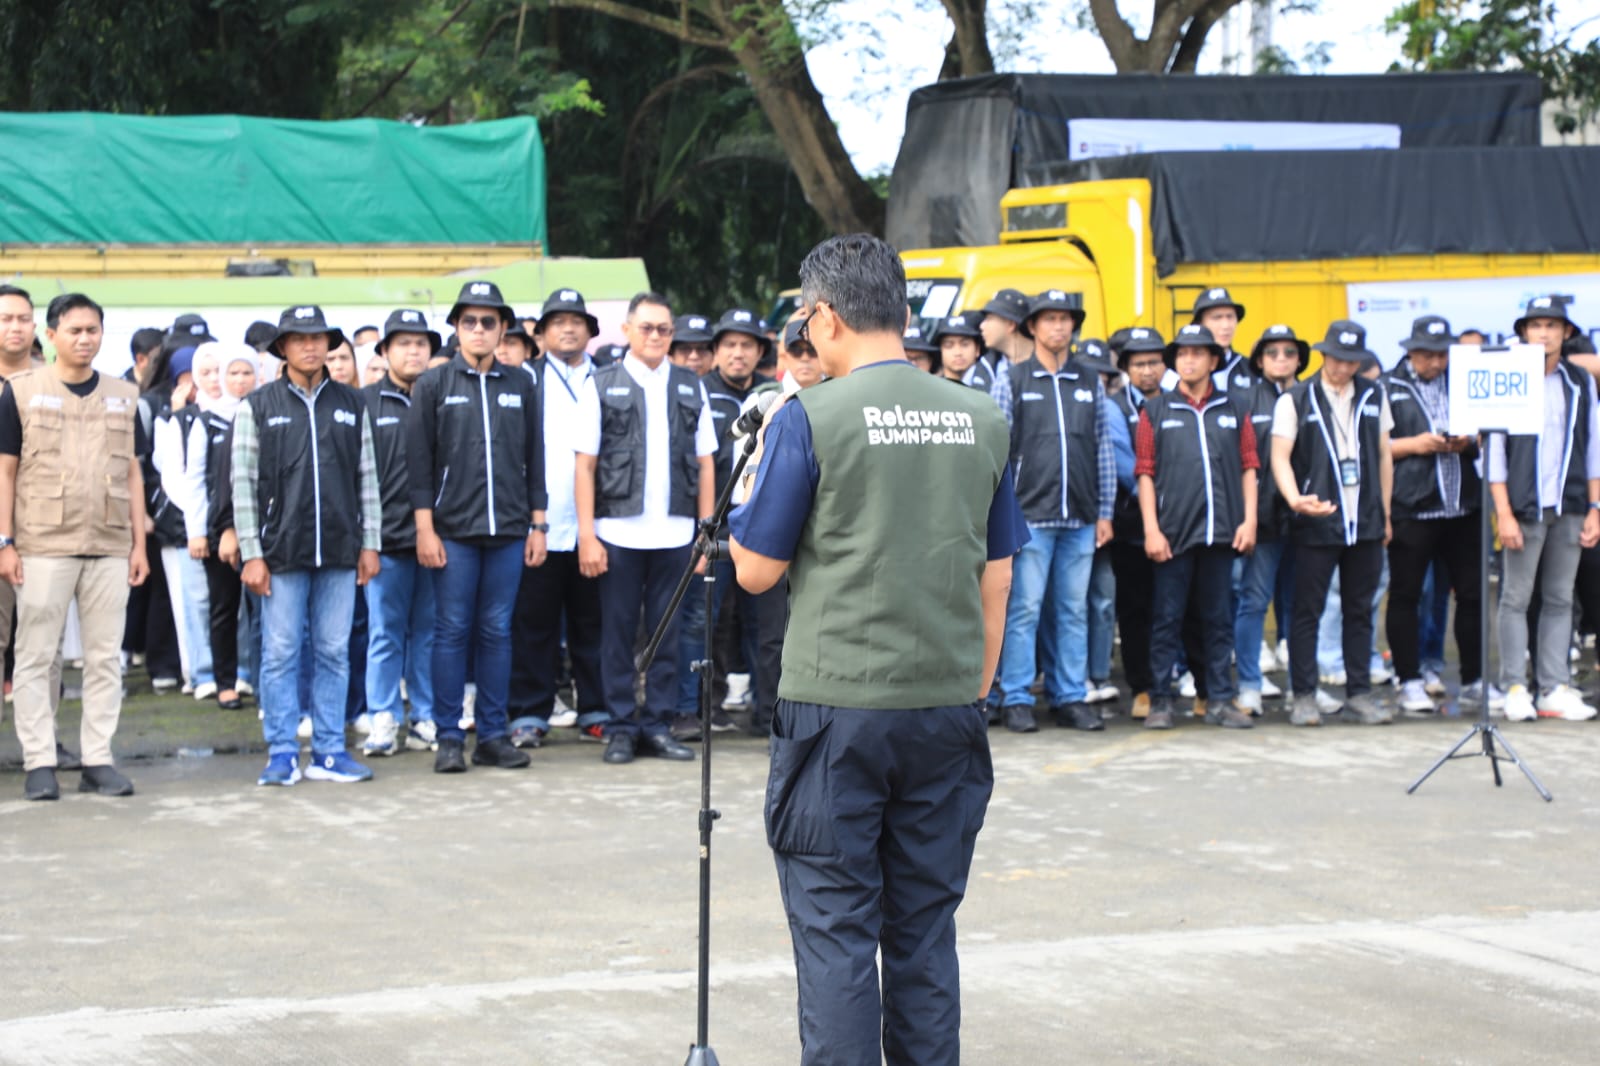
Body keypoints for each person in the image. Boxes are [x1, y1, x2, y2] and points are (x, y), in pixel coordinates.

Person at [729, 233, 1027, 1066]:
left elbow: (754, 571)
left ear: (824, 319)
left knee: (836, 932)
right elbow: (996, 576)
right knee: (925, 929)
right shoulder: (982, 416)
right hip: (945, 706)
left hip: (837, 711)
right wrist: (973, 687)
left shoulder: (810, 416)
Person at [0, 293, 149, 800]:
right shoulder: (21, 392)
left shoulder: (124, 395)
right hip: (43, 543)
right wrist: (6, 542)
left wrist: (139, 546)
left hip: (109, 543)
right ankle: (39, 760)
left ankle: (97, 759)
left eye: (93, 330)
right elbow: (6, 471)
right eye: (74, 330)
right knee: (36, 657)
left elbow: (133, 472)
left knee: (105, 658)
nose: (85, 339)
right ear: (52, 335)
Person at [233, 305, 383, 786]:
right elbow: (243, 485)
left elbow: (367, 478)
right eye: (299, 338)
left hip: (340, 549)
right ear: (283, 347)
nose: (311, 345)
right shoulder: (258, 406)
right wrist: (252, 553)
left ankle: (329, 751)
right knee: (279, 653)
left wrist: (370, 543)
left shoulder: (351, 402)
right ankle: (281, 752)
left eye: (319, 337)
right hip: (280, 551)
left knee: (334, 652)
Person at [408, 280, 548, 772]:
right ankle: (449, 737)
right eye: (470, 321)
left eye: (489, 322)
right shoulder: (433, 385)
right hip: (452, 531)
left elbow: (536, 457)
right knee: (451, 631)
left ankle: (491, 734)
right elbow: (418, 464)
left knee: (496, 631)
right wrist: (425, 529)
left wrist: (539, 524)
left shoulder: (522, 383)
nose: (480, 330)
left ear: (503, 328)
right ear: (456, 329)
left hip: (510, 530)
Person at [574, 292, 715, 765]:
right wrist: (587, 534)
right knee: (616, 634)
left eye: (664, 329)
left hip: (676, 534)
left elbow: (706, 462)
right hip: (618, 533)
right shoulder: (602, 383)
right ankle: (619, 727)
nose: (656, 336)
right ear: (629, 331)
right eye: (647, 328)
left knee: (666, 635)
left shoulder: (689, 386)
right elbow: (585, 465)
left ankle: (656, 724)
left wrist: (705, 533)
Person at [988, 289, 1114, 733]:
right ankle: (1017, 696)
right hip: (1031, 518)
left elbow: (1102, 449)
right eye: (1049, 319)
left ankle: (1071, 696)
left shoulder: (1089, 381)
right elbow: (998, 453)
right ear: (1032, 327)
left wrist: (1105, 511)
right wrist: (1004, 514)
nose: (1059, 327)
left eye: (1066, 319)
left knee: (1073, 610)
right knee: (1024, 609)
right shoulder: (1013, 379)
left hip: (1080, 517)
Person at [1270, 320, 1395, 727]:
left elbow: (1384, 456)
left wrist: (1385, 512)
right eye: (1337, 359)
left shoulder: (1375, 394)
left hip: (1366, 522)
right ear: (1323, 355)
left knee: (1361, 610)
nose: (1343, 368)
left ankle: (1359, 693)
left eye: (1351, 361)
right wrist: (1294, 499)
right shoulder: (1297, 398)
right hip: (1317, 519)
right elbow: (1280, 457)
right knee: (1307, 610)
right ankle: (1304, 694)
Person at [1137, 324, 1258, 730]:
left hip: (1222, 533)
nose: (1188, 360)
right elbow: (1145, 474)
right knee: (1167, 619)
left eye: (1197, 353)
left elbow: (1249, 467)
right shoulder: (1155, 410)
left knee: (1219, 619)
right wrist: (1152, 530)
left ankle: (1221, 699)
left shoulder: (1234, 407)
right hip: (1172, 535)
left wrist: (1249, 520)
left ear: (1213, 359)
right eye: (1182, 354)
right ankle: (1160, 701)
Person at [1488, 294, 1600, 722]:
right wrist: (1504, 512)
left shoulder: (1579, 381)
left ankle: (1554, 687)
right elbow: (1494, 449)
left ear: (1566, 333)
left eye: (1553, 326)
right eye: (1536, 326)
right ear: (1523, 333)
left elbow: (1593, 448)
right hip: (1524, 506)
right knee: (1515, 598)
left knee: (1559, 598)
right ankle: (1515, 685)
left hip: (1570, 504)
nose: (1544, 333)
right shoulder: (1508, 375)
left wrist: (1595, 507)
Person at [507, 290, 608, 743]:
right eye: (557, 322)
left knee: (593, 623)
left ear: (590, 331)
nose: (567, 329)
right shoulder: (523, 380)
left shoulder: (606, 379)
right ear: (542, 333)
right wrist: (534, 520)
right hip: (541, 523)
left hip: (595, 525)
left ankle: (597, 708)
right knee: (534, 624)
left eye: (576, 321)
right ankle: (530, 712)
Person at [1383, 315, 1485, 714]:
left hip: (1463, 505)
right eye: (1427, 355)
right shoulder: (1389, 387)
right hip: (1413, 507)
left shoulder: (1464, 382)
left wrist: (1469, 440)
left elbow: (1488, 434)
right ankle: (1408, 680)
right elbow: (1375, 447)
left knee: (1472, 596)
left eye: (1442, 355)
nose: (1436, 363)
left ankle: (1475, 678)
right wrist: (1415, 444)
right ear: (1410, 351)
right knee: (1406, 596)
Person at [360, 310, 441, 757]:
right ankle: (383, 718)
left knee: (427, 633)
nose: (413, 351)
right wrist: (363, 539)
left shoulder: (440, 395)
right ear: (385, 351)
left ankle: (424, 717)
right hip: (385, 539)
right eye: (403, 343)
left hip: (436, 540)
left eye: (421, 344)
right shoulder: (366, 402)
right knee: (385, 633)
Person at [1233, 324, 1306, 714]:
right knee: (1253, 602)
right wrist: (1244, 517)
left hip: (1306, 519)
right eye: (1272, 352)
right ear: (1259, 360)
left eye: (1289, 352)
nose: (1281, 359)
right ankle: (1249, 685)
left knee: (1301, 607)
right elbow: (1239, 464)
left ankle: (1302, 687)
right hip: (1261, 519)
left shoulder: (1311, 397)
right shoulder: (1242, 401)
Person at [194, 345, 258, 711]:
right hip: (221, 530)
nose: (239, 380)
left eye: (246, 372)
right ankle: (224, 681)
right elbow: (197, 481)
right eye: (232, 373)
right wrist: (201, 531)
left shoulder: (265, 411)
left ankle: (252, 676)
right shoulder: (207, 419)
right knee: (224, 606)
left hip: (260, 532)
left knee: (258, 611)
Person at [1107, 327, 1166, 720]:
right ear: (1126, 368)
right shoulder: (1114, 406)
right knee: (1135, 611)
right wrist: (1166, 496)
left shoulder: (1177, 402)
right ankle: (1142, 686)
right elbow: (1127, 467)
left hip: (1179, 525)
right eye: (1139, 364)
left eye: (1154, 363)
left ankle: (1172, 680)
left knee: (1176, 608)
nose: (1148, 371)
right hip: (1130, 528)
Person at [154, 343, 218, 701]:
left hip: (226, 526)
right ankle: (198, 671)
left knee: (229, 605)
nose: (203, 382)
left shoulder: (236, 411)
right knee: (193, 602)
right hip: (186, 526)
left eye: (212, 372)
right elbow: (170, 473)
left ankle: (232, 671)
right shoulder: (173, 418)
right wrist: (199, 516)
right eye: (196, 375)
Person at [1190, 286, 1256, 392]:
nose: (1226, 325)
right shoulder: (1179, 371)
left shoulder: (1251, 370)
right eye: (1217, 318)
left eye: (1230, 317)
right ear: (1199, 324)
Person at [976, 288, 1031, 375]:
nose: (982, 326)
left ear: (1010, 325)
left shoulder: (1049, 363)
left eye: (989, 319)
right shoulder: (985, 366)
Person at [932, 312, 992, 390]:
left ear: (977, 349)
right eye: (949, 346)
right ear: (940, 352)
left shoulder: (991, 385)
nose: (958, 352)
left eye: (965, 344)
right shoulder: (932, 388)